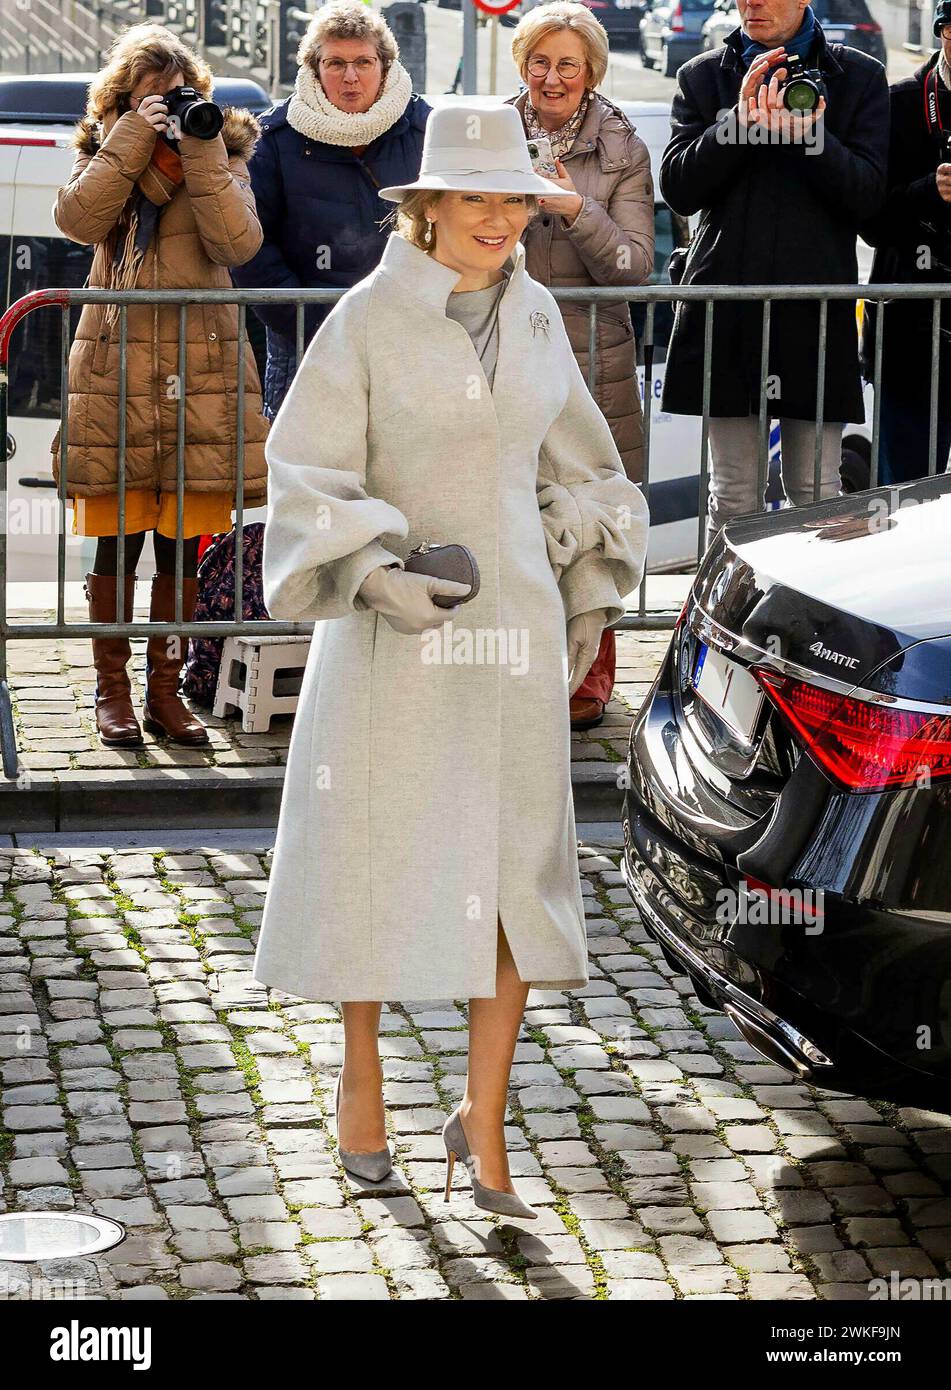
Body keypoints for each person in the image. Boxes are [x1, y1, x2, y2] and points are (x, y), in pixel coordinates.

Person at [252, 104, 649, 1213]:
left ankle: (484, 1124)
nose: (495, 217)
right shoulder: (368, 318)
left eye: (512, 196)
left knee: (516, 879)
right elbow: (306, 472)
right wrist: (374, 568)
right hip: (393, 643)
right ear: (425, 208)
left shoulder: (536, 318)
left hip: (514, 638)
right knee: (374, 863)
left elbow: (588, 469)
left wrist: (583, 589)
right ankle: (361, 1079)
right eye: (471, 195)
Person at [52, 22, 268, 748]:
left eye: (178, 98)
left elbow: (236, 244)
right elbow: (78, 222)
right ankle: (111, 693)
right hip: (115, 378)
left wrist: (198, 146)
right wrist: (130, 142)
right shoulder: (101, 154)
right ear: (120, 102)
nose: (167, 110)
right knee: (117, 543)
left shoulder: (224, 153)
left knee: (181, 545)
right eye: (150, 100)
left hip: (197, 380)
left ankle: (164, 694)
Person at [660, 0, 889, 547]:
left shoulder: (857, 76)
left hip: (814, 312)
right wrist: (737, 126)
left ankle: (815, 628)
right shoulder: (703, 75)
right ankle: (730, 628)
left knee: (816, 491)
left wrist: (812, 138)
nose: (751, 4)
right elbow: (679, 189)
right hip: (728, 310)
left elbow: (869, 199)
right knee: (734, 494)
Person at [506, 0, 654, 730]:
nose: (551, 76)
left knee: (589, 509)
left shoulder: (621, 144)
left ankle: (589, 670)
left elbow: (632, 266)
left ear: (590, 70)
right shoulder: (493, 131)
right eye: (538, 60)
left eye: (566, 63)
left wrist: (571, 209)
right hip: (503, 350)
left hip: (592, 358)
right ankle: (521, 662)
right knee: (512, 509)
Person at [231, 0, 431, 419]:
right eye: (336, 63)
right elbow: (250, 247)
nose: (351, 77)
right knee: (305, 471)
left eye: (364, 62)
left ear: (386, 65)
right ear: (314, 69)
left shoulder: (426, 130)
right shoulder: (274, 139)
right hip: (306, 342)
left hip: (411, 338)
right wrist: (308, 322)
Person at [860, 1, 951, 484]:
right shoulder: (899, 104)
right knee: (907, 497)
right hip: (912, 335)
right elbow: (869, 222)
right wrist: (928, 192)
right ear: (941, 34)